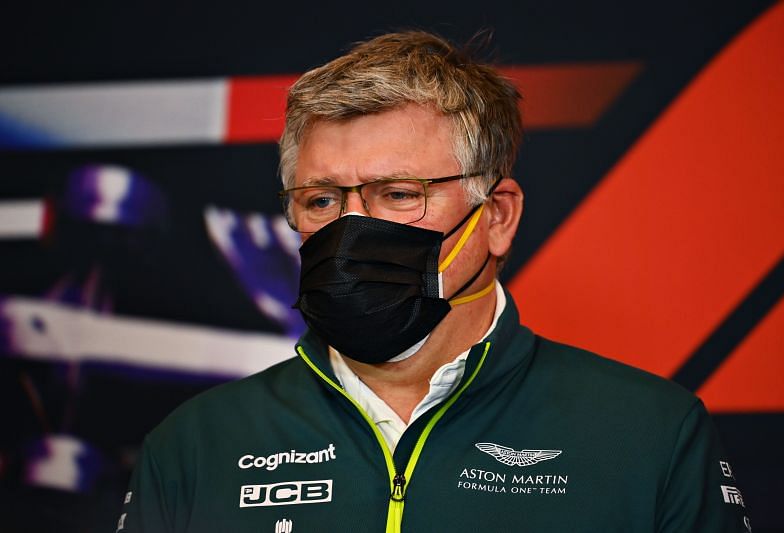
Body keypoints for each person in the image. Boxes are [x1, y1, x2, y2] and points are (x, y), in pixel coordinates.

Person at [118, 31, 750, 532]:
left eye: (398, 194)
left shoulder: (648, 435)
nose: (352, 227)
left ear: (496, 217)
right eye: (321, 201)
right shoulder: (195, 445)